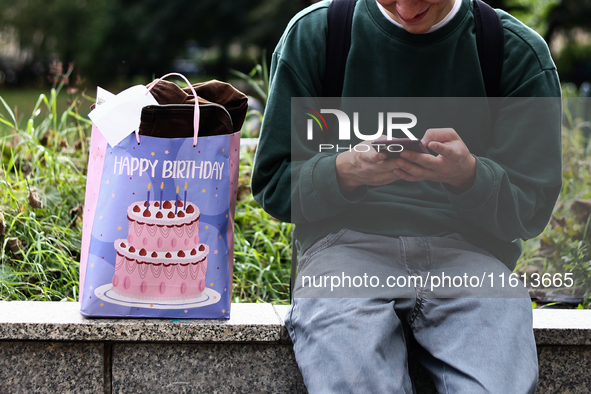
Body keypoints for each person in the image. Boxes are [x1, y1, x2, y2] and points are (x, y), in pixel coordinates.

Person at [252, 0, 562, 392]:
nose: (405, 7)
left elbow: (530, 208)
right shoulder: (318, 35)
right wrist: (345, 171)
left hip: (472, 260)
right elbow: (273, 184)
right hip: (342, 256)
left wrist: (468, 177)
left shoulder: (514, 51)